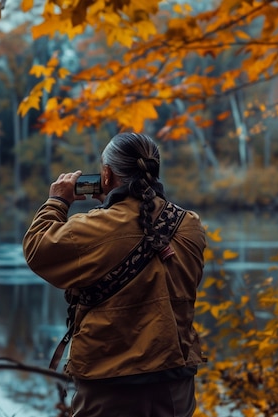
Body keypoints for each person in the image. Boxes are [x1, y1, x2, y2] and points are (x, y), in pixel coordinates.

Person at [23, 132, 207, 417]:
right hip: (175, 379)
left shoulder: (93, 227)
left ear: (106, 175)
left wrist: (57, 202)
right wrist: (113, 202)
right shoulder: (190, 225)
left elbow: (37, 249)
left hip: (109, 382)